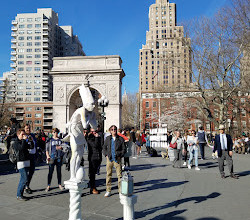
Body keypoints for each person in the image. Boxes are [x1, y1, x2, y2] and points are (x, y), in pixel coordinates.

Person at [102, 125, 126, 197]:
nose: (113, 131)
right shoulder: (107, 138)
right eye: (112, 129)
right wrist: (106, 154)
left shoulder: (121, 139)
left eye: (115, 129)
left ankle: (120, 190)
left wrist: (120, 154)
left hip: (117, 159)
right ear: (110, 131)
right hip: (109, 159)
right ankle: (108, 190)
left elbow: (124, 149)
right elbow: (104, 147)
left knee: (119, 175)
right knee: (108, 175)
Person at [12, 128, 34, 201]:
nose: (24, 135)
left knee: (23, 178)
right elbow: (21, 148)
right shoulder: (16, 142)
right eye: (22, 134)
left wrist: (31, 141)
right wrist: (24, 140)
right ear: (18, 134)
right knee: (24, 179)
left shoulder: (23, 141)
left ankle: (20, 195)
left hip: (26, 161)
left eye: (24, 134)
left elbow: (31, 147)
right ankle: (19, 195)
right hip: (20, 162)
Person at [87, 128, 102, 194]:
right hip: (92, 157)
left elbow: (101, 145)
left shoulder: (98, 137)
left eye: (95, 131)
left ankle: (92, 187)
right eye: (92, 131)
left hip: (98, 157)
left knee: (94, 173)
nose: (94, 132)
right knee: (92, 174)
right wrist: (96, 138)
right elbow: (95, 145)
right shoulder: (89, 138)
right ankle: (92, 188)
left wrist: (98, 137)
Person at [24, 124, 37, 194]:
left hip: (33, 155)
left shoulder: (32, 135)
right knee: (26, 172)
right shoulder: (24, 136)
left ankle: (27, 185)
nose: (28, 130)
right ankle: (25, 187)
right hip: (27, 156)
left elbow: (35, 145)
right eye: (26, 128)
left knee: (31, 172)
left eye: (29, 128)